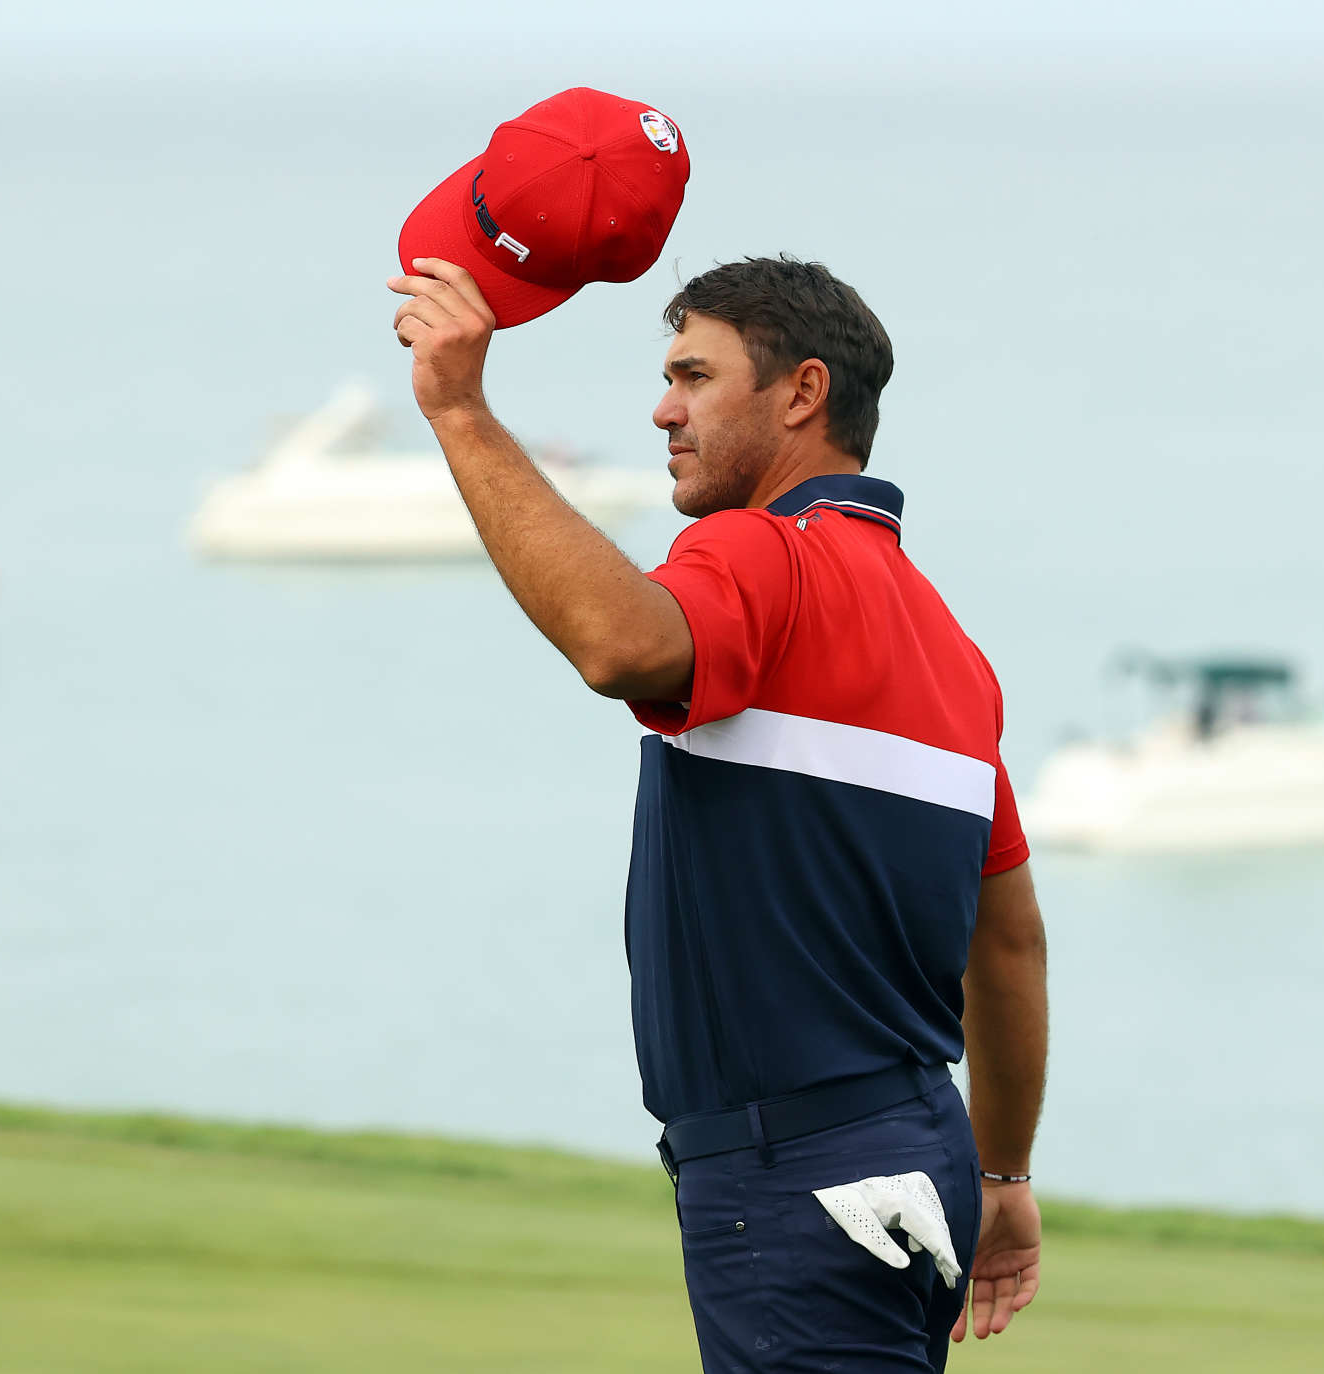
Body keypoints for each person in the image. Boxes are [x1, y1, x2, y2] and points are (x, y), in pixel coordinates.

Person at [389, 252, 1048, 1372]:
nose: (664, 406)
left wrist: (459, 408)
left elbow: (624, 645)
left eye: (694, 375)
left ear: (801, 393)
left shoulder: (760, 551)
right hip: (914, 1148)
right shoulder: (954, 651)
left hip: (802, 1175)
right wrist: (1003, 1174)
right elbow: (1011, 945)